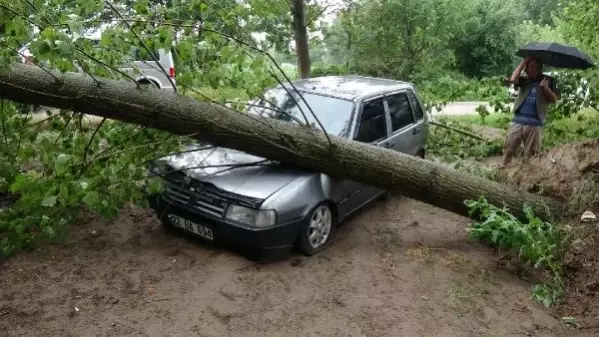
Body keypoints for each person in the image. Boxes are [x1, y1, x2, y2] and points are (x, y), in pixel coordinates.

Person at [502, 56, 559, 166]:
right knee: (508, 149)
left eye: (529, 68)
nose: (526, 70)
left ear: (538, 68)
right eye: (526, 68)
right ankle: (502, 170)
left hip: (534, 124)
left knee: (532, 155)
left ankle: (526, 179)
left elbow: (554, 99)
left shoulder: (548, 80)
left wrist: (546, 88)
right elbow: (513, 79)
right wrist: (524, 61)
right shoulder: (524, 79)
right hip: (517, 121)